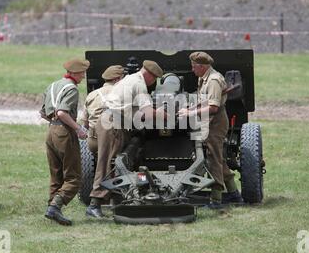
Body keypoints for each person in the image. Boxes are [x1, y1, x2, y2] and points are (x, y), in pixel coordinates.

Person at [86, 60, 165, 218]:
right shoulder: (140, 84)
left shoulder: (129, 79)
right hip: (112, 125)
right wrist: (163, 114)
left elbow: (133, 109)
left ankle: (118, 197)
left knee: (117, 161)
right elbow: (148, 113)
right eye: (154, 78)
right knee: (106, 163)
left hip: (111, 122)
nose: (154, 82)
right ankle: (94, 204)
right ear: (149, 74)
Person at [178, 52, 244, 208]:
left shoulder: (213, 80)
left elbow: (213, 108)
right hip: (210, 122)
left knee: (213, 161)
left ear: (202, 66)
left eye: (194, 67)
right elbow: (204, 102)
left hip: (215, 123)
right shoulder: (204, 77)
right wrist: (189, 108)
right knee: (219, 159)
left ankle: (216, 199)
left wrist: (190, 113)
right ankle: (234, 194)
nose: (192, 70)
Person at [40, 58, 89, 226]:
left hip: (51, 131)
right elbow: (62, 112)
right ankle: (55, 207)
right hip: (64, 132)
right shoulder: (72, 89)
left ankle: (52, 210)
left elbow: (43, 113)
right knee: (74, 177)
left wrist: (54, 122)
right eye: (82, 73)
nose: (83, 76)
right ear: (74, 73)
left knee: (56, 175)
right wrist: (78, 128)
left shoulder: (52, 86)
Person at [80, 65, 125, 155]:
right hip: (114, 142)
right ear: (117, 79)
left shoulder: (92, 95)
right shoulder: (123, 93)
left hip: (93, 142)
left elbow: (85, 123)